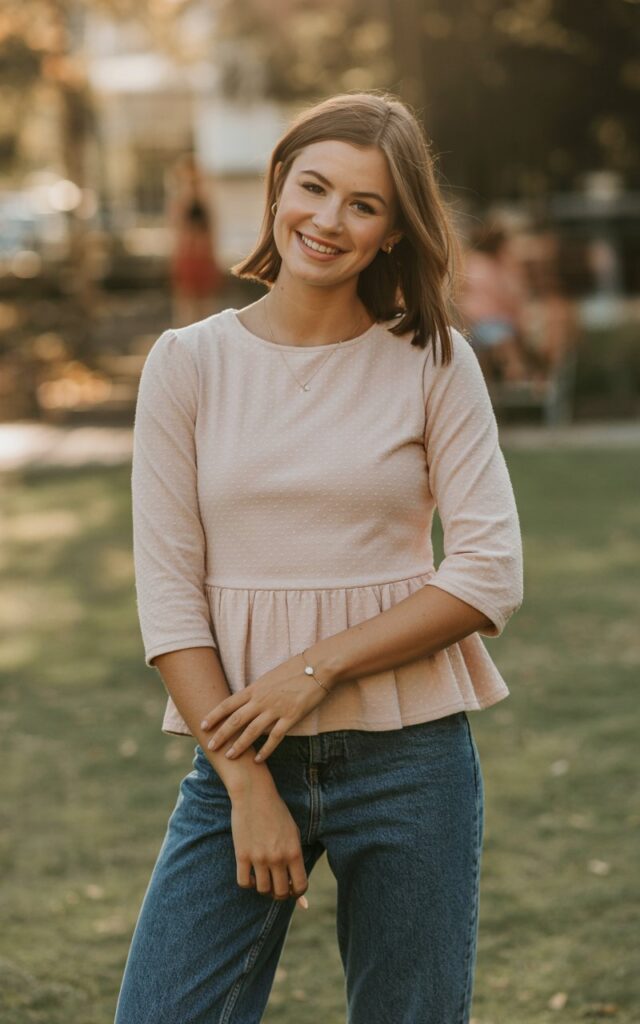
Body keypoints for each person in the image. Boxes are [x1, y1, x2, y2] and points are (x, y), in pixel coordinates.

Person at [116, 91, 524, 1024]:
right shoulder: (187, 364)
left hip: (413, 761)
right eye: (314, 187)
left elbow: (488, 573)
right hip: (240, 759)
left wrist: (313, 670)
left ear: (392, 233)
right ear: (277, 190)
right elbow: (170, 599)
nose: (328, 221)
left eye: (364, 205)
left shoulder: (435, 361)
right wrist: (249, 785)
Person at [459, 221, 531, 383]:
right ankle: (515, 376)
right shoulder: (480, 264)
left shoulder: (485, 264)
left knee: (506, 338)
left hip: (490, 321)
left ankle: (512, 375)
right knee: (504, 340)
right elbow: (509, 298)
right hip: (482, 322)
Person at [167, 153, 225, 327]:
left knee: (206, 304)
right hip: (187, 254)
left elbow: (212, 229)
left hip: (203, 255)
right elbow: (177, 228)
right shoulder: (180, 202)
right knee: (187, 305)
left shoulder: (205, 201)